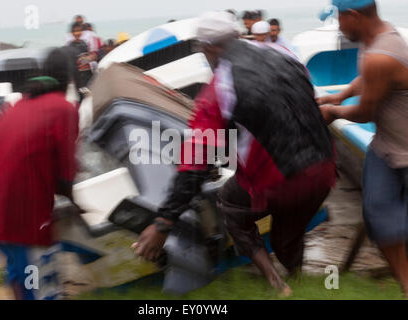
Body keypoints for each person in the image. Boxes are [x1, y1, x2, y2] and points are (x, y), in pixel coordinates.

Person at [132, 11, 336, 296]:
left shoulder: (218, 91)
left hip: (281, 181)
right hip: (326, 168)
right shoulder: (283, 52)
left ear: (209, 48)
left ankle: (277, 285)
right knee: (286, 236)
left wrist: (163, 223)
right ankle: (298, 281)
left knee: (230, 203)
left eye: (202, 50)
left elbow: (194, 167)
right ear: (238, 35)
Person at [0, 48, 80, 300]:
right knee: (42, 289)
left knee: (21, 279)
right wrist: (79, 205)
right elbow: (66, 175)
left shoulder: (21, 104)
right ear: (71, 80)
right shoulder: (63, 109)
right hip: (19, 214)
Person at [317, 0, 408, 297]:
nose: (338, 25)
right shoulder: (374, 41)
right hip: (386, 147)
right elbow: (365, 79)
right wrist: (338, 96)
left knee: (392, 224)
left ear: (352, 16)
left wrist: (333, 113)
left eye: (338, 18)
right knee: (379, 220)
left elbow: (365, 113)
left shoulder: (383, 54)